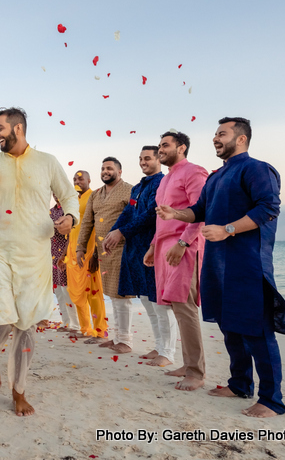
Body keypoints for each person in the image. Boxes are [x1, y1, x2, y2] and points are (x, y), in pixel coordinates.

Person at [156, 117, 285, 417]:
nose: (215, 138)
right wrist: (176, 214)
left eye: (222, 134)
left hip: (248, 261)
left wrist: (228, 229)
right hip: (217, 263)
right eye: (214, 134)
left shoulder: (257, 168)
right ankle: (239, 383)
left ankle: (271, 399)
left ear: (241, 139)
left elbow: (268, 208)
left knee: (256, 330)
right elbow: (198, 211)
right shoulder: (215, 177)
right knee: (229, 326)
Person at [0, 108, 79, 416]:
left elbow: (69, 197)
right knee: (2, 315)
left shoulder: (47, 162)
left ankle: (19, 390)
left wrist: (70, 217)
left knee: (26, 322)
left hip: (35, 254)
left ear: (18, 128)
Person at [144, 130, 208, 391]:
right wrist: (152, 246)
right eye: (159, 145)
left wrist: (183, 243)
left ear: (181, 148)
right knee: (173, 308)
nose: (161, 149)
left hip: (184, 247)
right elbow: (162, 216)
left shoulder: (194, 172)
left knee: (184, 307)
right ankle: (187, 363)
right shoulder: (166, 179)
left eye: (165, 145)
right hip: (163, 248)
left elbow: (202, 211)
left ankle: (196, 372)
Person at [102, 146, 170, 364]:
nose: (143, 162)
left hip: (153, 247)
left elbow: (151, 214)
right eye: (140, 158)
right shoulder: (138, 187)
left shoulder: (162, 183)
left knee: (159, 303)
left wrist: (122, 231)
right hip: (134, 250)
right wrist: (114, 231)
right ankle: (158, 347)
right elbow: (128, 213)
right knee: (146, 301)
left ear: (159, 159)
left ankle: (167, 352)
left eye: (147, 158)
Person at [75, 158, 133, 353]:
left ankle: (125, 340)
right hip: (102, 252)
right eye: (103, 168)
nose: (105, 171)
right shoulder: (96, 195)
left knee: (121, 296)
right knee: (111, 295)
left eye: (110, 168)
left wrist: (123, 233)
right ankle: (117, 338)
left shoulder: (130, 190)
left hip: (123, 248)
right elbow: (86, 224)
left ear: (120, 171)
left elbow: (136, 218)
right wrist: (81, 248)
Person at [59, 171, 107, 341]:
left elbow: (100, 226)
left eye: (80, 178)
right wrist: (64, 254)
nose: (77, 181)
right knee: (75, 292)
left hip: (89, 251)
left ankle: (100, 331)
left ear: (88, 180)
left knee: (93, 293)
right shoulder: (72, 201)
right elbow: (71, 231)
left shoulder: (94, 197)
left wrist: (95, 252)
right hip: (72, 253)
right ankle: (85, 328)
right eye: (74, 179)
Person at [50, 198, 78, 331]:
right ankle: (66, 322)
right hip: (52, 255)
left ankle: (75, 324)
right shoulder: (51, 211)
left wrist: (64, 256)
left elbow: (71, 236)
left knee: (67, 290)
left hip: (65, 254)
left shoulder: (69, 212)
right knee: (59, 291)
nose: (56, 195)